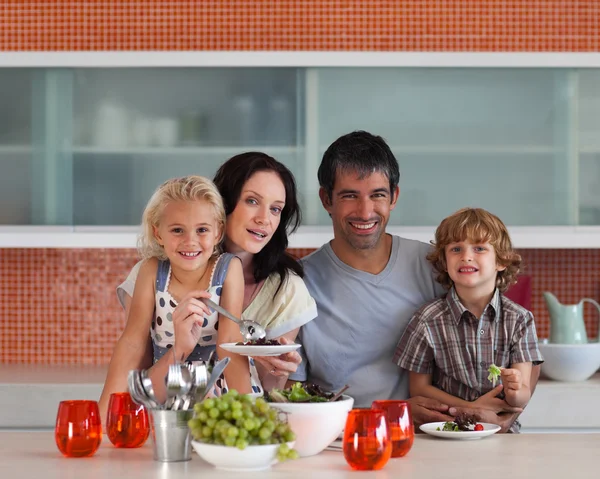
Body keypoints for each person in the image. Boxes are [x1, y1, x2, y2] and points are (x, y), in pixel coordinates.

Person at [274, 130, 540, 431]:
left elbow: (519, 349)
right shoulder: (298, 285)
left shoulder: (437, 266)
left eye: (378, 195)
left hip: (440, 443)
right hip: (346, 444)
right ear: (326, 199)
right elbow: (292, 403)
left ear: (394, 197)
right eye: (350, 195)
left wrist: (499, 421)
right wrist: (392, 415)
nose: (365, 211)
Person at [100, 153, 317, 421]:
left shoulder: (284, 290)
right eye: (252, 201)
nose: (265, 219)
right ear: (223, 205)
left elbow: (241, 361)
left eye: (275, 209)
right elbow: (135, 354)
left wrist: (270, 385)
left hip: (228, 406)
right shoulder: (152, 271)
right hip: (164, 402)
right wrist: (104, 417)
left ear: (216, 229)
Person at [394, 207, 544, 432]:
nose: (466, 256)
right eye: (456, 248)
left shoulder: (520, 320)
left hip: (501, 437)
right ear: (445, 262)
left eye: (479, 248)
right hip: (443, 432)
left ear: (501, 261)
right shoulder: (426, 319)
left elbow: (522, 397)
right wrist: (470, 408)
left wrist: (515, 391)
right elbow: (418, 388)